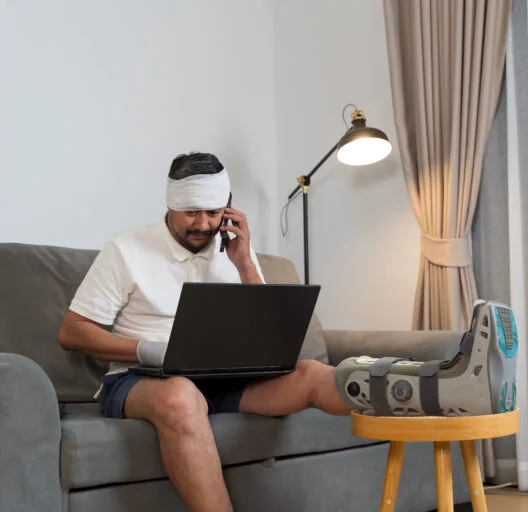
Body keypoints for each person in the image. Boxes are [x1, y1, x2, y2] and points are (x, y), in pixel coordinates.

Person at [58, 152, 351, 512]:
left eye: (213, 213)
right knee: (181, 395)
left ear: (227, 209)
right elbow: (72, 332)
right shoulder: (125, 249)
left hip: (223, 378)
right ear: (170, 206)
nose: (202, 224)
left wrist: (245, 265)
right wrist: (148, 350)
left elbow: (268, 333)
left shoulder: (235, 251)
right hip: (142, 379)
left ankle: (419, 396)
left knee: (312, 374)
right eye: (192, 213)